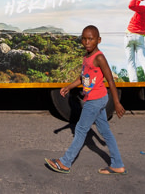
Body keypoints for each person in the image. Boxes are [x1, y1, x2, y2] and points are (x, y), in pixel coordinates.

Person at [45, 25, 126, 176]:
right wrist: (69, 87)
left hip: (95, 100)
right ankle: (117, 165)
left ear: (98, 40)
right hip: (98, 99)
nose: (87, 42)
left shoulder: (99, 58)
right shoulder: (86, 57)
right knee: (105, 131)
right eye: (84, 39)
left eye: (91, 39)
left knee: (81, 130)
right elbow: (83, 78)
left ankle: (65, 163)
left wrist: (116, 102)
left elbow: (110, 80)